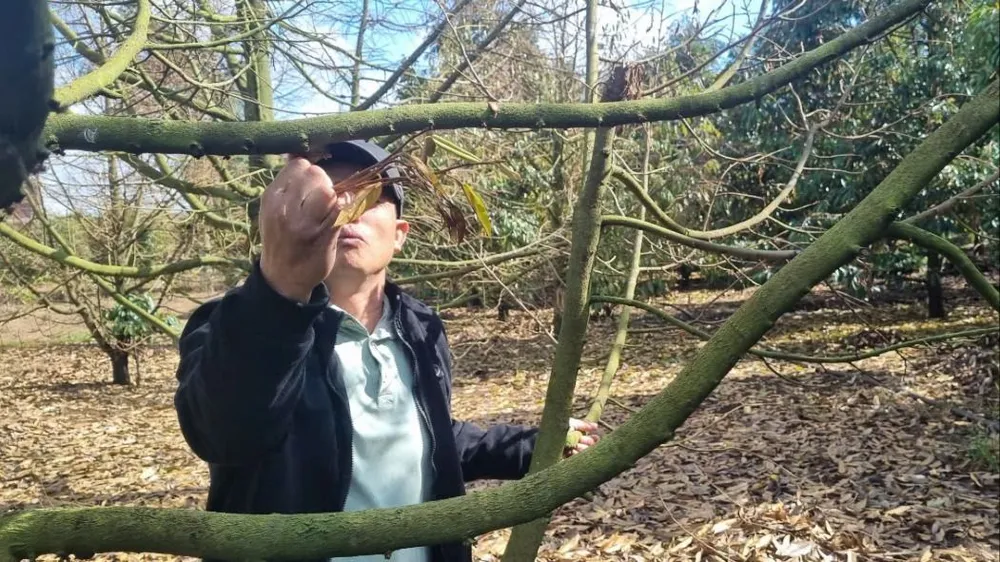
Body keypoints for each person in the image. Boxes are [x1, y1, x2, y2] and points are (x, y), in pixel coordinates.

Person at [173, 139, 600, 562]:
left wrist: (535, 446)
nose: (345, 205)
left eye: (370, 194)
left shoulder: (422, 327)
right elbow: (224, 436)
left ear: (399, 236)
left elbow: (427, 437)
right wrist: (281, 287)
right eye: (329, 192)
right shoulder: (237, 327)